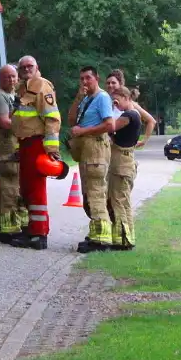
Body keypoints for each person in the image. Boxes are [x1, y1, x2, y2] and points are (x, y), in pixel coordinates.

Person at [9, 55, 67, 250]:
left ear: (37, 67)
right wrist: (18, 147)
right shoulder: (22, 88)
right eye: (22, 67)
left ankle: (39, 234)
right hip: (25, 144)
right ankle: (31, 230)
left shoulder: (42, 87)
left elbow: (52, 119)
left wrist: (51, 149)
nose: (26, 69)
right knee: (26, 189)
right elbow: (20, 121)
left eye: (30, 66)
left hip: (37, 144)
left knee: (36, 190)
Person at [68, 66, 118, 253]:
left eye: (88, 78)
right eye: (82, 78)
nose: (85, 82)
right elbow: (72, 120)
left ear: (96, 78)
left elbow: (109, 124)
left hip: (96, 148)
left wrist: (83, 131)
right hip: (85, 149)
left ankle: (101, 240)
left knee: (96, 192)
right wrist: (78, 97)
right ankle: (96, 233)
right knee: (88, 194)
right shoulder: (86, 99)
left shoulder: (102, 97)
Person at [108, 86, 155, 251]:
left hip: (121, 164)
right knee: (125, 202)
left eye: (117, 101)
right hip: (126, 163)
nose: (116, 104)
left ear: (125, 97)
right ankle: (128, 237)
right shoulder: (134, 115)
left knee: (118, 201)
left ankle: (122, 240)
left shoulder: (128, 116)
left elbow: (110, 126)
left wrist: (108, 108)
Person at [0, 64, 25, 243]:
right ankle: (10, 230)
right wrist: (26, 127)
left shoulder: (13, 95)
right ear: (0, 78)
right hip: (5, 149)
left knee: (2, 191)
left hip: (12, 146)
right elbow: (5, 122)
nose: (11, 80)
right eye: (7, 77)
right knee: (10, 189)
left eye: (14, 76)